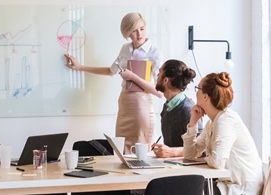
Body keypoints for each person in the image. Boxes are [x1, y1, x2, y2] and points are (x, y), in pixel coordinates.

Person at [64, 12, 163, 154]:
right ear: (127, 32)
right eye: (134, 31)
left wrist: (133, 76)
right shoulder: (125, 49)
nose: (139, 34)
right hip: (124, 103)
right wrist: (80, 67)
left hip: (141, 106)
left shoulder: (155, 54)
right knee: (121, 149)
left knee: (140, 151)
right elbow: (111, 71)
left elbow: (158, 93)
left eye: (142, 29)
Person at [182, 72, 264, 195]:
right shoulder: (212, 122)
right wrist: (193, 122)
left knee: (186, 188)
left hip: (241, 189)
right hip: (226, 184)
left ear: (205, 96)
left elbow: (217, 162)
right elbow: (189, 154)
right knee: (185, 187)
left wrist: (204, 159)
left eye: (198, 88)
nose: (196, 92)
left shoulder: (226, 121)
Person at [151, 59, 202, 158]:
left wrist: (172, 152)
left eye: (160, 72)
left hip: (185, 169)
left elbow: (201, 147)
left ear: (165, 80)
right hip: (171, 165)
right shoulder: (167, 107)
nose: (157, 75)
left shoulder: (188, 110)